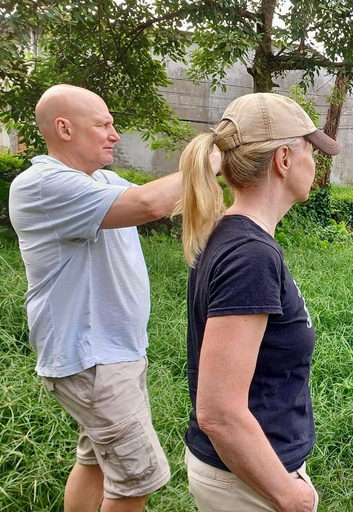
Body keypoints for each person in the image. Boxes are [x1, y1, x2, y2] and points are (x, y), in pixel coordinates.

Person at [8, 84, 181, 511]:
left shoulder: (99, 179)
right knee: (135, 480)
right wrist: (211, 155)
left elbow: (164, 199)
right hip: (93, 359)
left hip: (113, 352)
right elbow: (150, 204)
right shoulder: (43, 185)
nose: (114, 134)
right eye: (103, 124)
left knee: (96, 461)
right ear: (64, 129)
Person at [176, 93, 340, 512]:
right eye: (311, 151)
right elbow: (218, 411)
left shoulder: (230, 235)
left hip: (242, 472)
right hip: (249, 482)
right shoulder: (251, 254)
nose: (315, 164)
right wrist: (290, 496)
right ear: (284, 159)